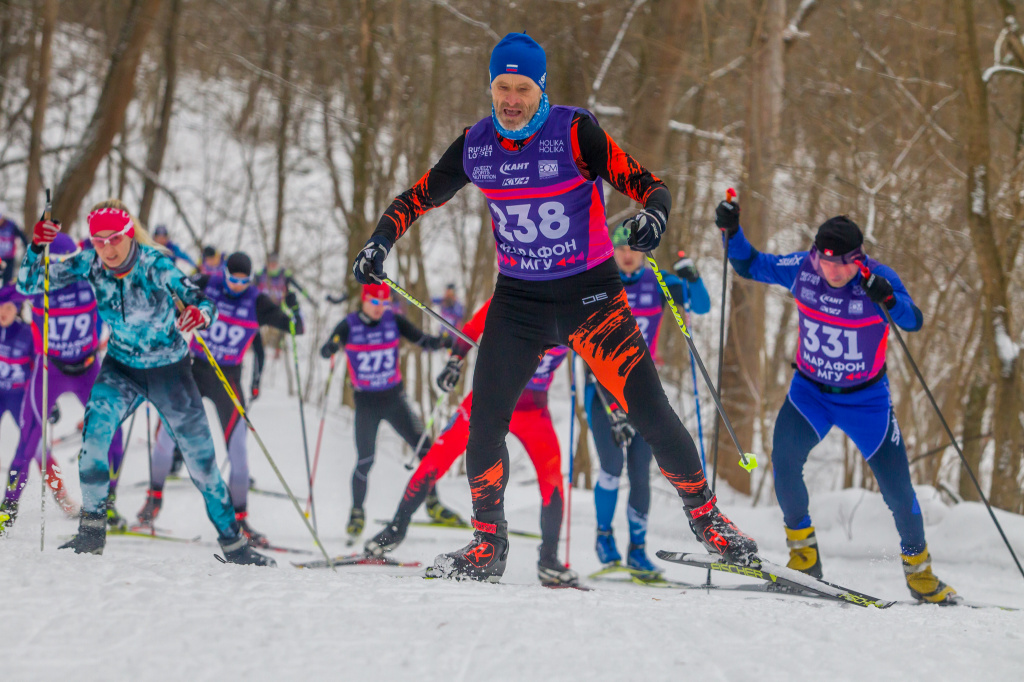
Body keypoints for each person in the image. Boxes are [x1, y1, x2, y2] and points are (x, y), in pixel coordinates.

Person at [353, 32, 758, 582]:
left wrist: (654, 219)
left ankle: (710, 521)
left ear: (540, 87)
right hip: (518, 303)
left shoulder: (574, 132)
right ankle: (487, 545)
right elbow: (415, 197)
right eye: (502, 87)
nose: (512, 100)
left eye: (523, 88)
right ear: (490, 87)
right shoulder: (475, 145)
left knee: (649, 410)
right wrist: (379, 241)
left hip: (590, 297)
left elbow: (651, 187)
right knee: (484, 423)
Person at [715, 203, 955, 603]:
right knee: (785, 461)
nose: (831, 271)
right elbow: (749, 264)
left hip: (866, 402)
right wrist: (731, 229)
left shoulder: (878, 280)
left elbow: (914, 321)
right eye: (824, 262)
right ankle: (804, 558)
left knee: (898, 492)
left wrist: (890, 300)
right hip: (810, 394)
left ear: (857, 259)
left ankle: (921, 575)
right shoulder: (802, 269)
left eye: (841, 265)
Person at [18, 200, 271, 565]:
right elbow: (30, 285)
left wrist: (199, 314)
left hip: (170, 372)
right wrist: (36, 248)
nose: (106, 247)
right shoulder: (89, 261)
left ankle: (235, 545)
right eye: (98, 240)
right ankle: (91, 532)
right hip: (121, 368)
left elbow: (203, 301)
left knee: (202, 465)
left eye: (113, 239)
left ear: (128, 234)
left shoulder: (155, 265)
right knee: (94, 438)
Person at [365, 298, 576, 586]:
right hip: (488, 399)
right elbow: (472, 329)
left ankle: (549, 559)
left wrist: (615, 407)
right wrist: (455, 362)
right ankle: (395, 530)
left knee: (552, 478)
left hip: (533, 411)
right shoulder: (516, 290)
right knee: (436, 459)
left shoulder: (570, 304)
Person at [137, 251, 301, 548]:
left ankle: (241, 519)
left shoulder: (257, 301)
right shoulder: (207, 284)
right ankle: (153, 499)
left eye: (243, 281)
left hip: (229, 379)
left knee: (239, 451)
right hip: (195, 369)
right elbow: (170, 286)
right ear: (223, 272)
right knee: (166, 436)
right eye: (232, 278)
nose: (237, 285)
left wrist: (295, 310)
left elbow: (295, 328)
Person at [587, 223, 711, 575]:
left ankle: (637, 550)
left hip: (640, 386)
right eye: (620, 248)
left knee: (641, 473)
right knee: (611, 468)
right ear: (611, 251)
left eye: (633, 248)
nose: (626, 254)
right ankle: (603, 536)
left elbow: (701, 305)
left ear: (643, 252)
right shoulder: (597, 279)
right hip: (600, 387)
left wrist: (693, 277)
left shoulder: (659, 281)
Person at [1, 234, 125, 534]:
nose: (58, 272)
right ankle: (8, 510)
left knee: (114, 433)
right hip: (49, 371)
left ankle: (107, 504)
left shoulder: (93, 284)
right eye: (51, 265)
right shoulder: (35, 287)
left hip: (87, 370)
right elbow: (6, 296)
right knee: (28, 442)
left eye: (65, 264)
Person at [320, 282, 457, 540]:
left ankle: (433, 503)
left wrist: (444, 341)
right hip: (366, 404)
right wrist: (329, 349)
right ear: (364, 300)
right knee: (365, 460)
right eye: (374, 302)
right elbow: (331, 345)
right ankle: (357, 512)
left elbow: (423, 341)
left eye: (384, 303)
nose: (379, 308)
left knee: (425, 448)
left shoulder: (394, 320)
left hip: (394, 400)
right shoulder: (348, 325)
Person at [0, 286, 32, 473]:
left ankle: (59, 490)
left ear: (18, 310)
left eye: (9, 308)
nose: (3, 312)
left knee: (33, 443)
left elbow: (40, 370)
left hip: (18, 395)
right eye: (1, 307)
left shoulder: (27, 333)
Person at [0, 203, 28, 286]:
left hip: (9, 258)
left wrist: (27, 248)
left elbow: (22, 236)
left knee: (7, 280)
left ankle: (4, 297)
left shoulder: (11, 225)